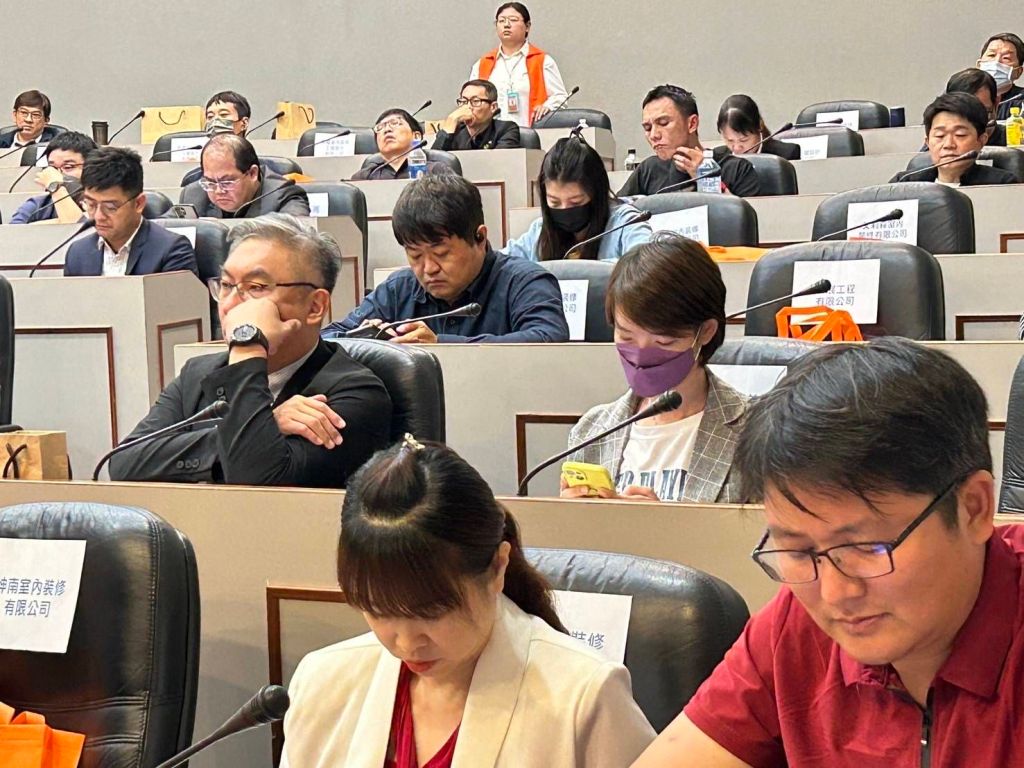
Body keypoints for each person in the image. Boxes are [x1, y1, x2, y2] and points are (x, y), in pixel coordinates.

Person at [632, 337, 1024, 767]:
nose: (836, 594)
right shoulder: (794, 626)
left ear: (973, 509)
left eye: (867, 548)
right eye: (799, 551)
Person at [281, 438, 655, 767]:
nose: (407, 643)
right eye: (379, 610)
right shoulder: (322, 681)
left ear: (498, 567)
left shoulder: (583, 695)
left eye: (431, 612)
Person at [108, 214, 392, 488]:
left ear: (315, 306)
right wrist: (270, 424)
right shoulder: (198, 372)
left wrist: (248, 345)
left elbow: (255, 482)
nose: (230, 304)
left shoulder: (356, 393)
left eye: (255, 287)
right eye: (226, 285)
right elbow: (125, 462)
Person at [562, 235, 745, 503]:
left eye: (664, 342)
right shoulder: (591, 431)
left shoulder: (756, 432)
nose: (641, 354)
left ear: (705, 332)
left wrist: (659, 524)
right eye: (626, 337)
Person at [323, 174, 569, 343]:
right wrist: (362, 339)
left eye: (441, 253)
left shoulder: (525, 281)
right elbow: (329, 337)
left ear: (480, 238)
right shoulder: (399, 289)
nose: (428, 268)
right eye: (415, 255)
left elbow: (549, 338)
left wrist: (442, 345)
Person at [501, 136, 652, 262]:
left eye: (575, 202)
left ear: (596, 194)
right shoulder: (539, 231)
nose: (565, 209)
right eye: (555, 202)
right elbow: (503, 262)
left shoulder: (626, 222)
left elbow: (647, 264)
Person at [63, 147, 198, 277]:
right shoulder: (77, 253)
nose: (98, 216)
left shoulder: (172, 249)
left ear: (138, 204)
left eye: (110, 207)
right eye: (91, 204)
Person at [618, 85, 761, 198]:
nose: (654, 135)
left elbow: (748, 221)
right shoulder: (648, 170)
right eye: (647, 128)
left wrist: (707, 180)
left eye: (663, 123)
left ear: (692, 124)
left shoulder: (738, 170)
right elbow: (615, 211)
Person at [470, 2, 569, 127]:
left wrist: (547, 107)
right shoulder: (482, 64)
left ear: (527, 26)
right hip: (492, 136)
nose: (506, 25)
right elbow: (469, 102)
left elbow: (560, 97)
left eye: (513, 20)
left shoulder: (542, 61)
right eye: (501, 21)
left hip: (530, 133)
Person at [890, 93, 1020, 186]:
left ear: (981, 140)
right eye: (940, 136)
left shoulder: (1002, 184)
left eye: (960, 135)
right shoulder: (905, 183)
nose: (948, 144)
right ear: (927, 142)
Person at [180, 133, 310, 217]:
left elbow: (295, 240)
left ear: (253, 173)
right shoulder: (193, 195)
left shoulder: (284, 196)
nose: (218, 190)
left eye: (227, 182)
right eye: (210, 182)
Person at [10, 131, 95, 225]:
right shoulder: (37, 205)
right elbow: (14, 231)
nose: (57, 174)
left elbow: (81, 229)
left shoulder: (103, 204)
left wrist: (56, 187)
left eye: (68, 167)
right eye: (53, 168)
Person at [351, 109, 449, 181]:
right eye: (380, 127)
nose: (387, 129)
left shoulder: (437, 172)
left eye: (395, 123)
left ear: (416, 136)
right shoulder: (364, 177)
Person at [432, 79, 522, 151]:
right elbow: (433, 164)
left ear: (493, 107)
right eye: (464, 101)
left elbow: (502, 162)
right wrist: (449, 125)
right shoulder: (454, 130)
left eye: (475, 101)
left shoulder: (506, 129)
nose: (468, 107)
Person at [715, 95, 800, 160]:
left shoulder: (786, 154)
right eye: (730, 140)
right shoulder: (718, 157)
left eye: (743, 140)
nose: (737, 148)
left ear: (759, 126)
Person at [945, 67, 1006, 146]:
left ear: (996, 104)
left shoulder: (1016, 141)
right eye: (963, 112)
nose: (973, 122)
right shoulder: (941, 143)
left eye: (981, 111)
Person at [976, 32, 1024, 120]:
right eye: (991, 55)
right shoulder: (961, 97)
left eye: (1006, 58)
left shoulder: (1021, 100)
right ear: (979, 65)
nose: (997, 62)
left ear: (1018, 72)